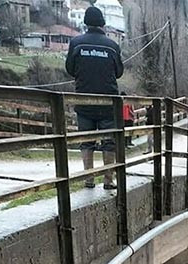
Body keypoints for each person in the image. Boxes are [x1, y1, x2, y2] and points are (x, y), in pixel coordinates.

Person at [65, 6, 124, 190]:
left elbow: (70, 69)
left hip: (84, 102)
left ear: (86, 23)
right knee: (109, 142)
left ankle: (88, 179)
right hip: (108, 103)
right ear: (103, 24)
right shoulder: (112, 46)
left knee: (86, 141)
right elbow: (119, 72)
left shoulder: (76, 43)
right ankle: (108, 180)